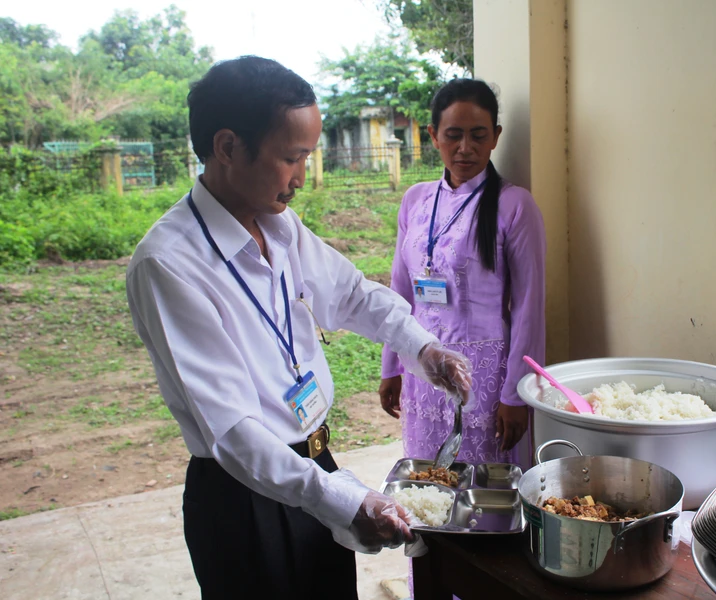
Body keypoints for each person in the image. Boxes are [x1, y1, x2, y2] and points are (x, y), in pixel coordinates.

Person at [126, 56, 472, 600]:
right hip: (245, 497)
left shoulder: (279, 225)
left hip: (315, 463)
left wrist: (422, 347)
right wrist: (342, 500)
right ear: (227, 147)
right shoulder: (170, 264)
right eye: (291, 158)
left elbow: (351, 294)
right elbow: (236, 433)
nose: (301, 178)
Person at [379, 78, 546, 471]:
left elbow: (528, 308)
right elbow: (400, 291)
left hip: (485, 381)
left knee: (483, 493)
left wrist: (517, 395)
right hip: (422, 370)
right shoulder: (416, 200)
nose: (465, 148)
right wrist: (391, 366)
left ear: (496, 137)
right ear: (433, 136)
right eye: (453, 135)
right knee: (430, 487)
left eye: (478, 135)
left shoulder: (514, 205)